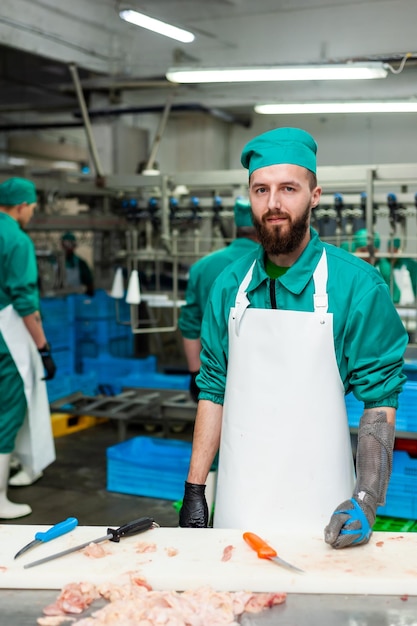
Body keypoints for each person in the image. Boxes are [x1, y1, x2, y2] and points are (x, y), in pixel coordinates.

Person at [178, 127, 408, 549]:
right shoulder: (230, 285)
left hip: (323, 502)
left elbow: (379, 403)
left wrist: (366, 499)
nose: (274, 204)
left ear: (314, 195)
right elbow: (213, 389)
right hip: (238, 496)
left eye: (288, 188)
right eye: (261, 190)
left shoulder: (356, 285)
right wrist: (195, 489)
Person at [0, 177, 57, 517]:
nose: (32, 213)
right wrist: (43, 347)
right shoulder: (15, 240)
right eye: (32, 208)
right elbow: (24, 302)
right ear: (21, 205)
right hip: (6, 338)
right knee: (9, 413)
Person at [178, 197, 259, 402]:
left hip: (214, 373)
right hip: (260, 375)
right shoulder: (272, 264)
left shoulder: (202, 266)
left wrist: (194, 373)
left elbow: (190, 325)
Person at [352, 228, 400, 303]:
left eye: (371, 250)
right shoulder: (350, 267)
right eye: (363, 251)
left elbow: (394, 295)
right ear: (355, 250)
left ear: (377, 251)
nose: (367, 255)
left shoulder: (384, 267)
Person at [59, 231, 94, 296]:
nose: (68, 247)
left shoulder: (81, 264)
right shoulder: (54, 262)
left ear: (74, 246)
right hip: (57, 300)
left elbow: (89, 284)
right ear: (62, 245)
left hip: (75, 300)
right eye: (66, 244)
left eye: (71, 244)